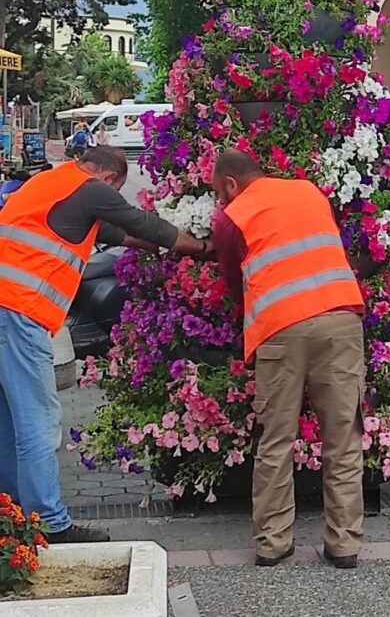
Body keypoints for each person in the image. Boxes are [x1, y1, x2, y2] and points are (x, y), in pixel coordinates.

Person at [0, 145, 206, 544]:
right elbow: (142, 224)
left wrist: (147, 245)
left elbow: (115, 233)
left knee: (8, 420)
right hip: (19, 312)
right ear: (109, 178)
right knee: (39, 423)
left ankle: (12, 515)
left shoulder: (49, 182)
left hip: (5, 308)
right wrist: (199, 247)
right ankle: (50, 524)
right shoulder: (90, 188)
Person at [210, 149, 366, 569]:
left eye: (219, 192)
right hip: (341, 318)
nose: (220, 201)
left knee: (276, 440)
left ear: (231, 184)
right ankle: (344, 544)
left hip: (280, 328)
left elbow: (236, 285)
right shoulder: (310, 191)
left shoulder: (231, 217)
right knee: (343, 438)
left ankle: (273, 543)